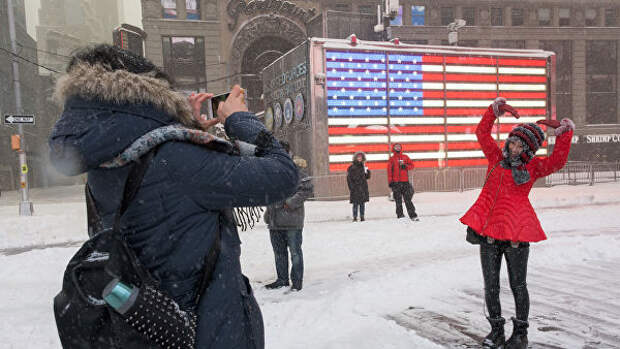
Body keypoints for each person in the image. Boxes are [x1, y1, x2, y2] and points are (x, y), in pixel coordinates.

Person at [48, 44, 298, 349]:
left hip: (149, 327)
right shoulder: (177, 160)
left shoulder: (104, 157)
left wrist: (183, 131)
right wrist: (240, 120)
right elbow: (282, 175)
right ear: (149, 93)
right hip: (206, 331)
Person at [460, 98, 574, 349]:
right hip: (489, 236)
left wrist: (564, 135)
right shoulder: (495, 159)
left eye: (520, 144)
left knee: (518, 285)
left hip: (516, 236)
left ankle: (520, 334)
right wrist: (492, 112)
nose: (513, 147)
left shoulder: (532, 168)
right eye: (512, 141)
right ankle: (496, 331)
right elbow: (482, 133)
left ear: (528, 149)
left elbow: (556, 162)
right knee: (491, 286)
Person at [263, 142, 313, 292]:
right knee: (279, 253)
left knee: (295, 252)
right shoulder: (270, 169)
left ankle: (297, 282)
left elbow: (307, 189)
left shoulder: (296, 167)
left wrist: (289, 203)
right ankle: (282, 279)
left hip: (292, 219)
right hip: (274, 219)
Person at [387, 143, 418, 220]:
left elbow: (412, 166)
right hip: (396, 182)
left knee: (407, 199)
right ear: (393, 148)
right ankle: (400, 215)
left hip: (405, 182)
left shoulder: (405, 157)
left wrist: (405, 166)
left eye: (399, 147)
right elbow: (389, 171)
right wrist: (390, 181)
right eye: (396, 147)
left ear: (401, 148)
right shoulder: (392, 159)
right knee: (398, 200)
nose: (397, 148)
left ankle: (413, 215)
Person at [347, 151, 370, 222]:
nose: (359, 158)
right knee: (355, 203)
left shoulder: (364, 167)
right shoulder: (351, 167)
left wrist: (368, 172)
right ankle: (355, 217)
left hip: (362, 187)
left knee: (362, 203)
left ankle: (362, 216)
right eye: (358, 157)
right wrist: (351, 187)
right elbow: (349, 179)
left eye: (361, 157)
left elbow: (367, 177)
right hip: (355, 188)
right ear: (355, 158)